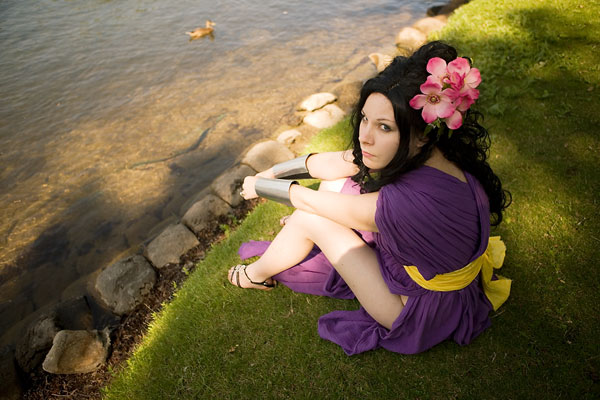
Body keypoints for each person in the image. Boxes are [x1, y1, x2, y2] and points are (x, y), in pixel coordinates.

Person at [229, 41, 512, 355]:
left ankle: (255, 276)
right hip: (433, 263)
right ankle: (297, 235)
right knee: (334, 184)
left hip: (416, 309)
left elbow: (307, 203)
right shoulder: (438, 151)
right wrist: (271, 173)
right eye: (365, 118)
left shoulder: (404, 203)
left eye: (384, 127)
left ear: (422, 133)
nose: (365, 136)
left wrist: (260, 187)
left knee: (308, 218)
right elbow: (340, 161)